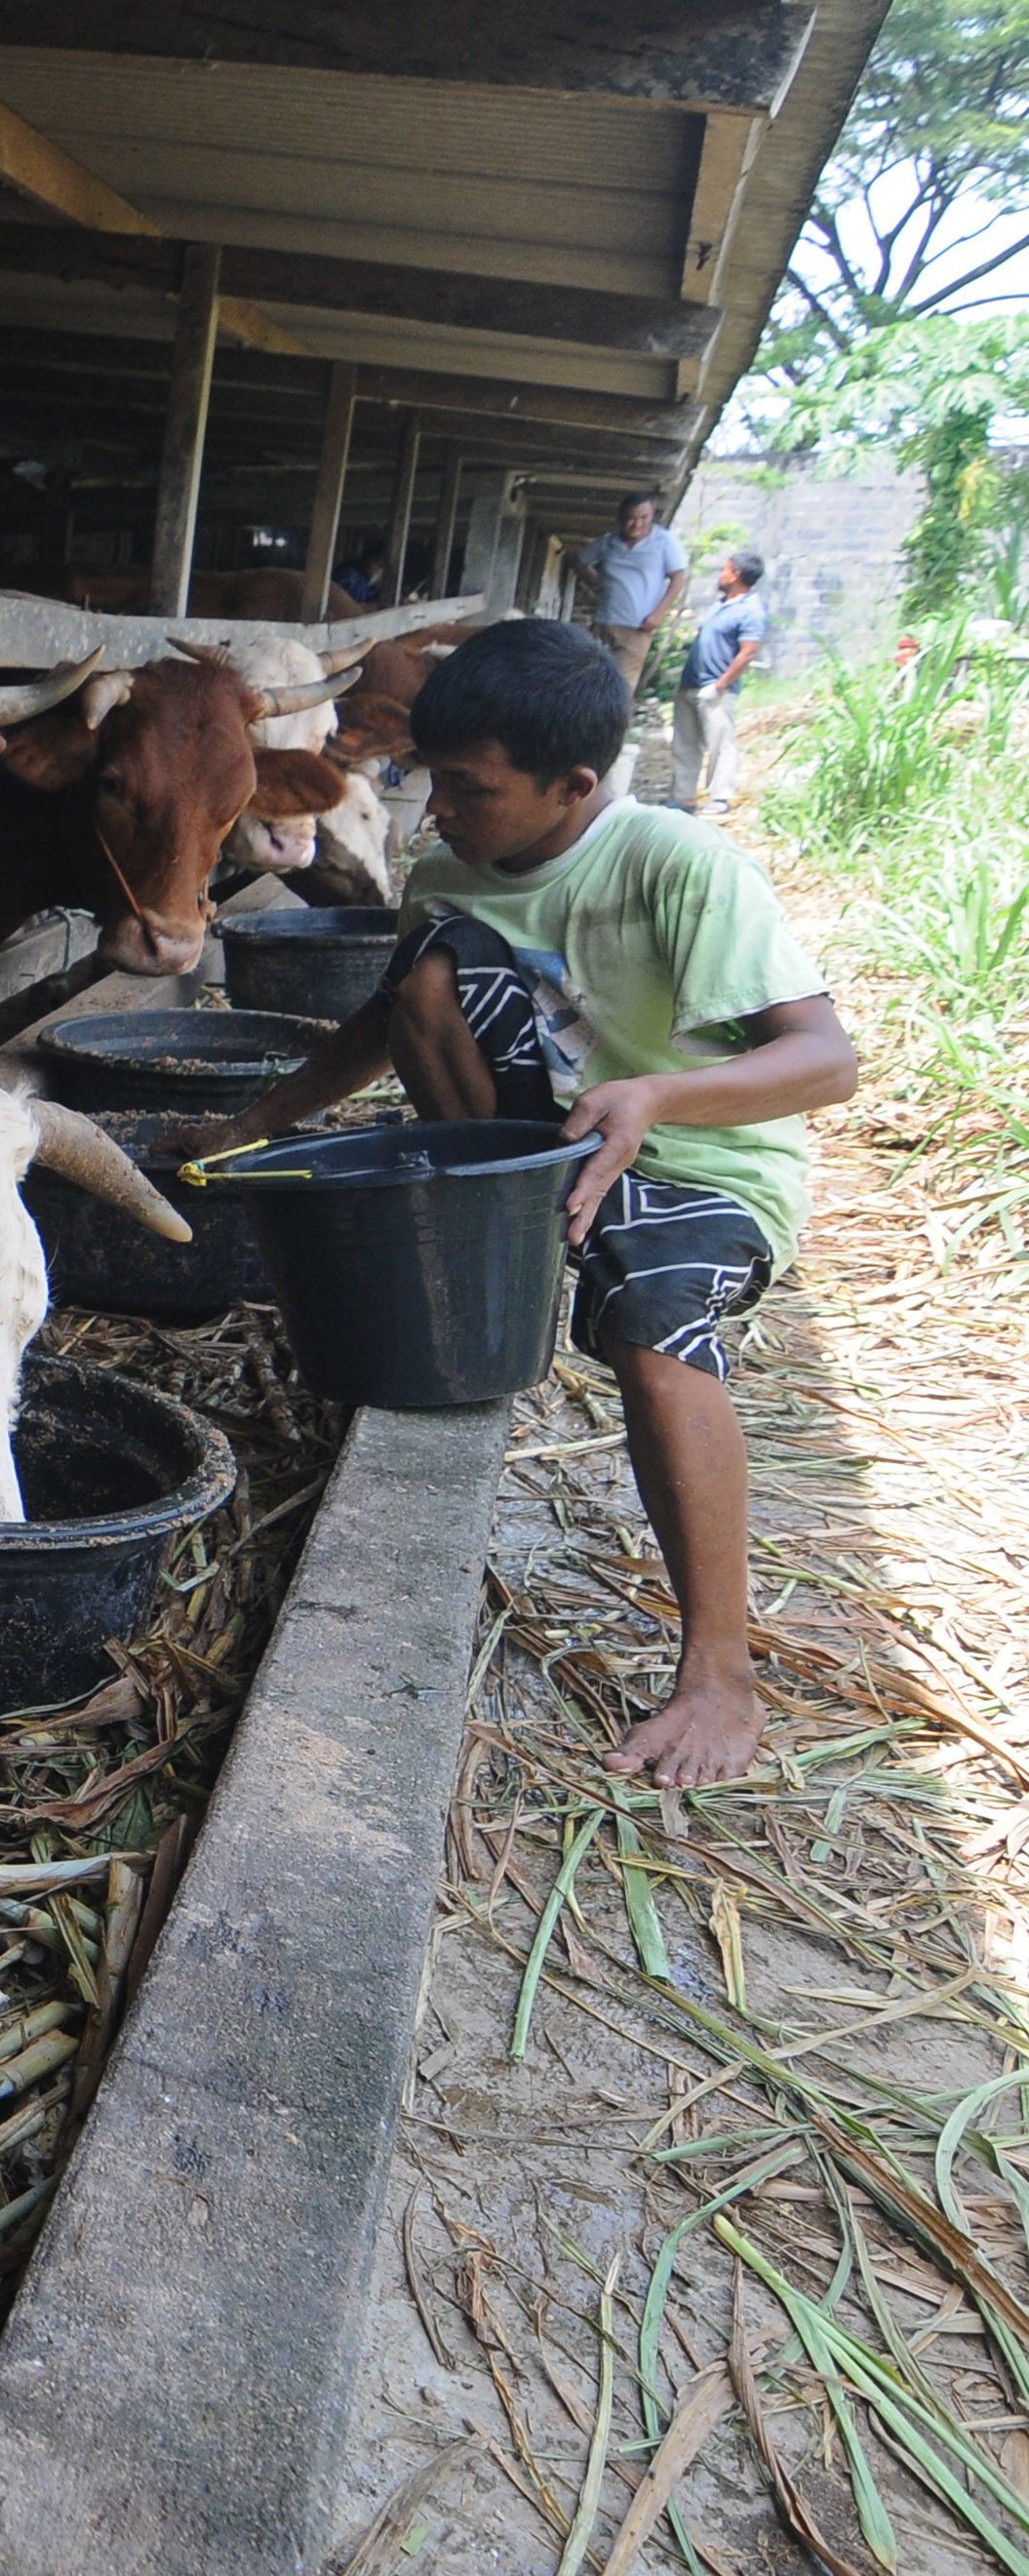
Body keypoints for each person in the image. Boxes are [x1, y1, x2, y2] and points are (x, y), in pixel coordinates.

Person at [158, 620, 854, 1786]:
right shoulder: (447, 871)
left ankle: (720, 1676)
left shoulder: (676, 864)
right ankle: (490, 1247)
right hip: (545, 1144)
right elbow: (390, 1023)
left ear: (573, 785)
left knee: (650, 1322)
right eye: (431, 780)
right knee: (428, 971)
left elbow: (825, 1061)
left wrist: (653, 1097)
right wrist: (246, 1130)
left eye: (469, 789)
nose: (439, 812)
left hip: (697, 1160)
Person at [675, 548, 767, 813]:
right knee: (685, 743)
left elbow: (748, 651)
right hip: (691, 682)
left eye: (725, 569)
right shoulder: (720, 603)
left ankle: (721, 797)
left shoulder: (751, 611)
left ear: (735, 575)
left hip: (717, 689)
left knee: (720, 744)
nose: (721, 574)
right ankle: (684, 797)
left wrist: (721, 685)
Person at [574, 492, 691, 694]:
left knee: (621, 689)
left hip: (637, 627)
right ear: (620, 518)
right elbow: (580, 563)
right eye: (630, 518)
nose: (636, 524)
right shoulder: (609, 542)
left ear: (652, 515)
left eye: (643, 518)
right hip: (604, 622)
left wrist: (658, 615)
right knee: (589, 684)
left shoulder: (665, 541)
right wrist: (599, 584)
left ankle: (613, 726)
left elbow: (678, 578)